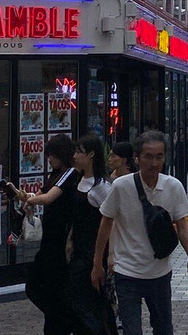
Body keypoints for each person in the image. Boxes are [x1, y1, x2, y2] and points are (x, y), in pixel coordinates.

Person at [91, 131, 188, 335]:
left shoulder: (173, 186)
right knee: (132, 330)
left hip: (159, 272)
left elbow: (183, 226)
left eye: (159, 156)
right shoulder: (121, 186)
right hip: (127, 272)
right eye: (148, 156)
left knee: (163, 328)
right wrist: (98, 263)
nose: (154, 162)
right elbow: (106, 223)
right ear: (136, 159)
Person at [22, 133, 79, 335]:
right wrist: (24, 198)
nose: (49, 159)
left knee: (49, 286)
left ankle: (64, 320)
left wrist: (33, 200)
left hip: (59, 241)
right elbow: (40, 196)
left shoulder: (69, 174)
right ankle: (62, 319)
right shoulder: (55, 174)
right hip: (50, 240)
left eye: (53, 155)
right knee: (36, 286)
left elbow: (47, 198)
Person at [66, 135, 118, 335]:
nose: (75, 156)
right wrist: (70, 239)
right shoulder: (79, 181)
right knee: (84, 297)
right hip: (79, 248)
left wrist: (109, 256)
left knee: (88, 298)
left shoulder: (101, 187)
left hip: (93, 251)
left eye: (79, 151)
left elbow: (111, 223)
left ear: (91, 155)